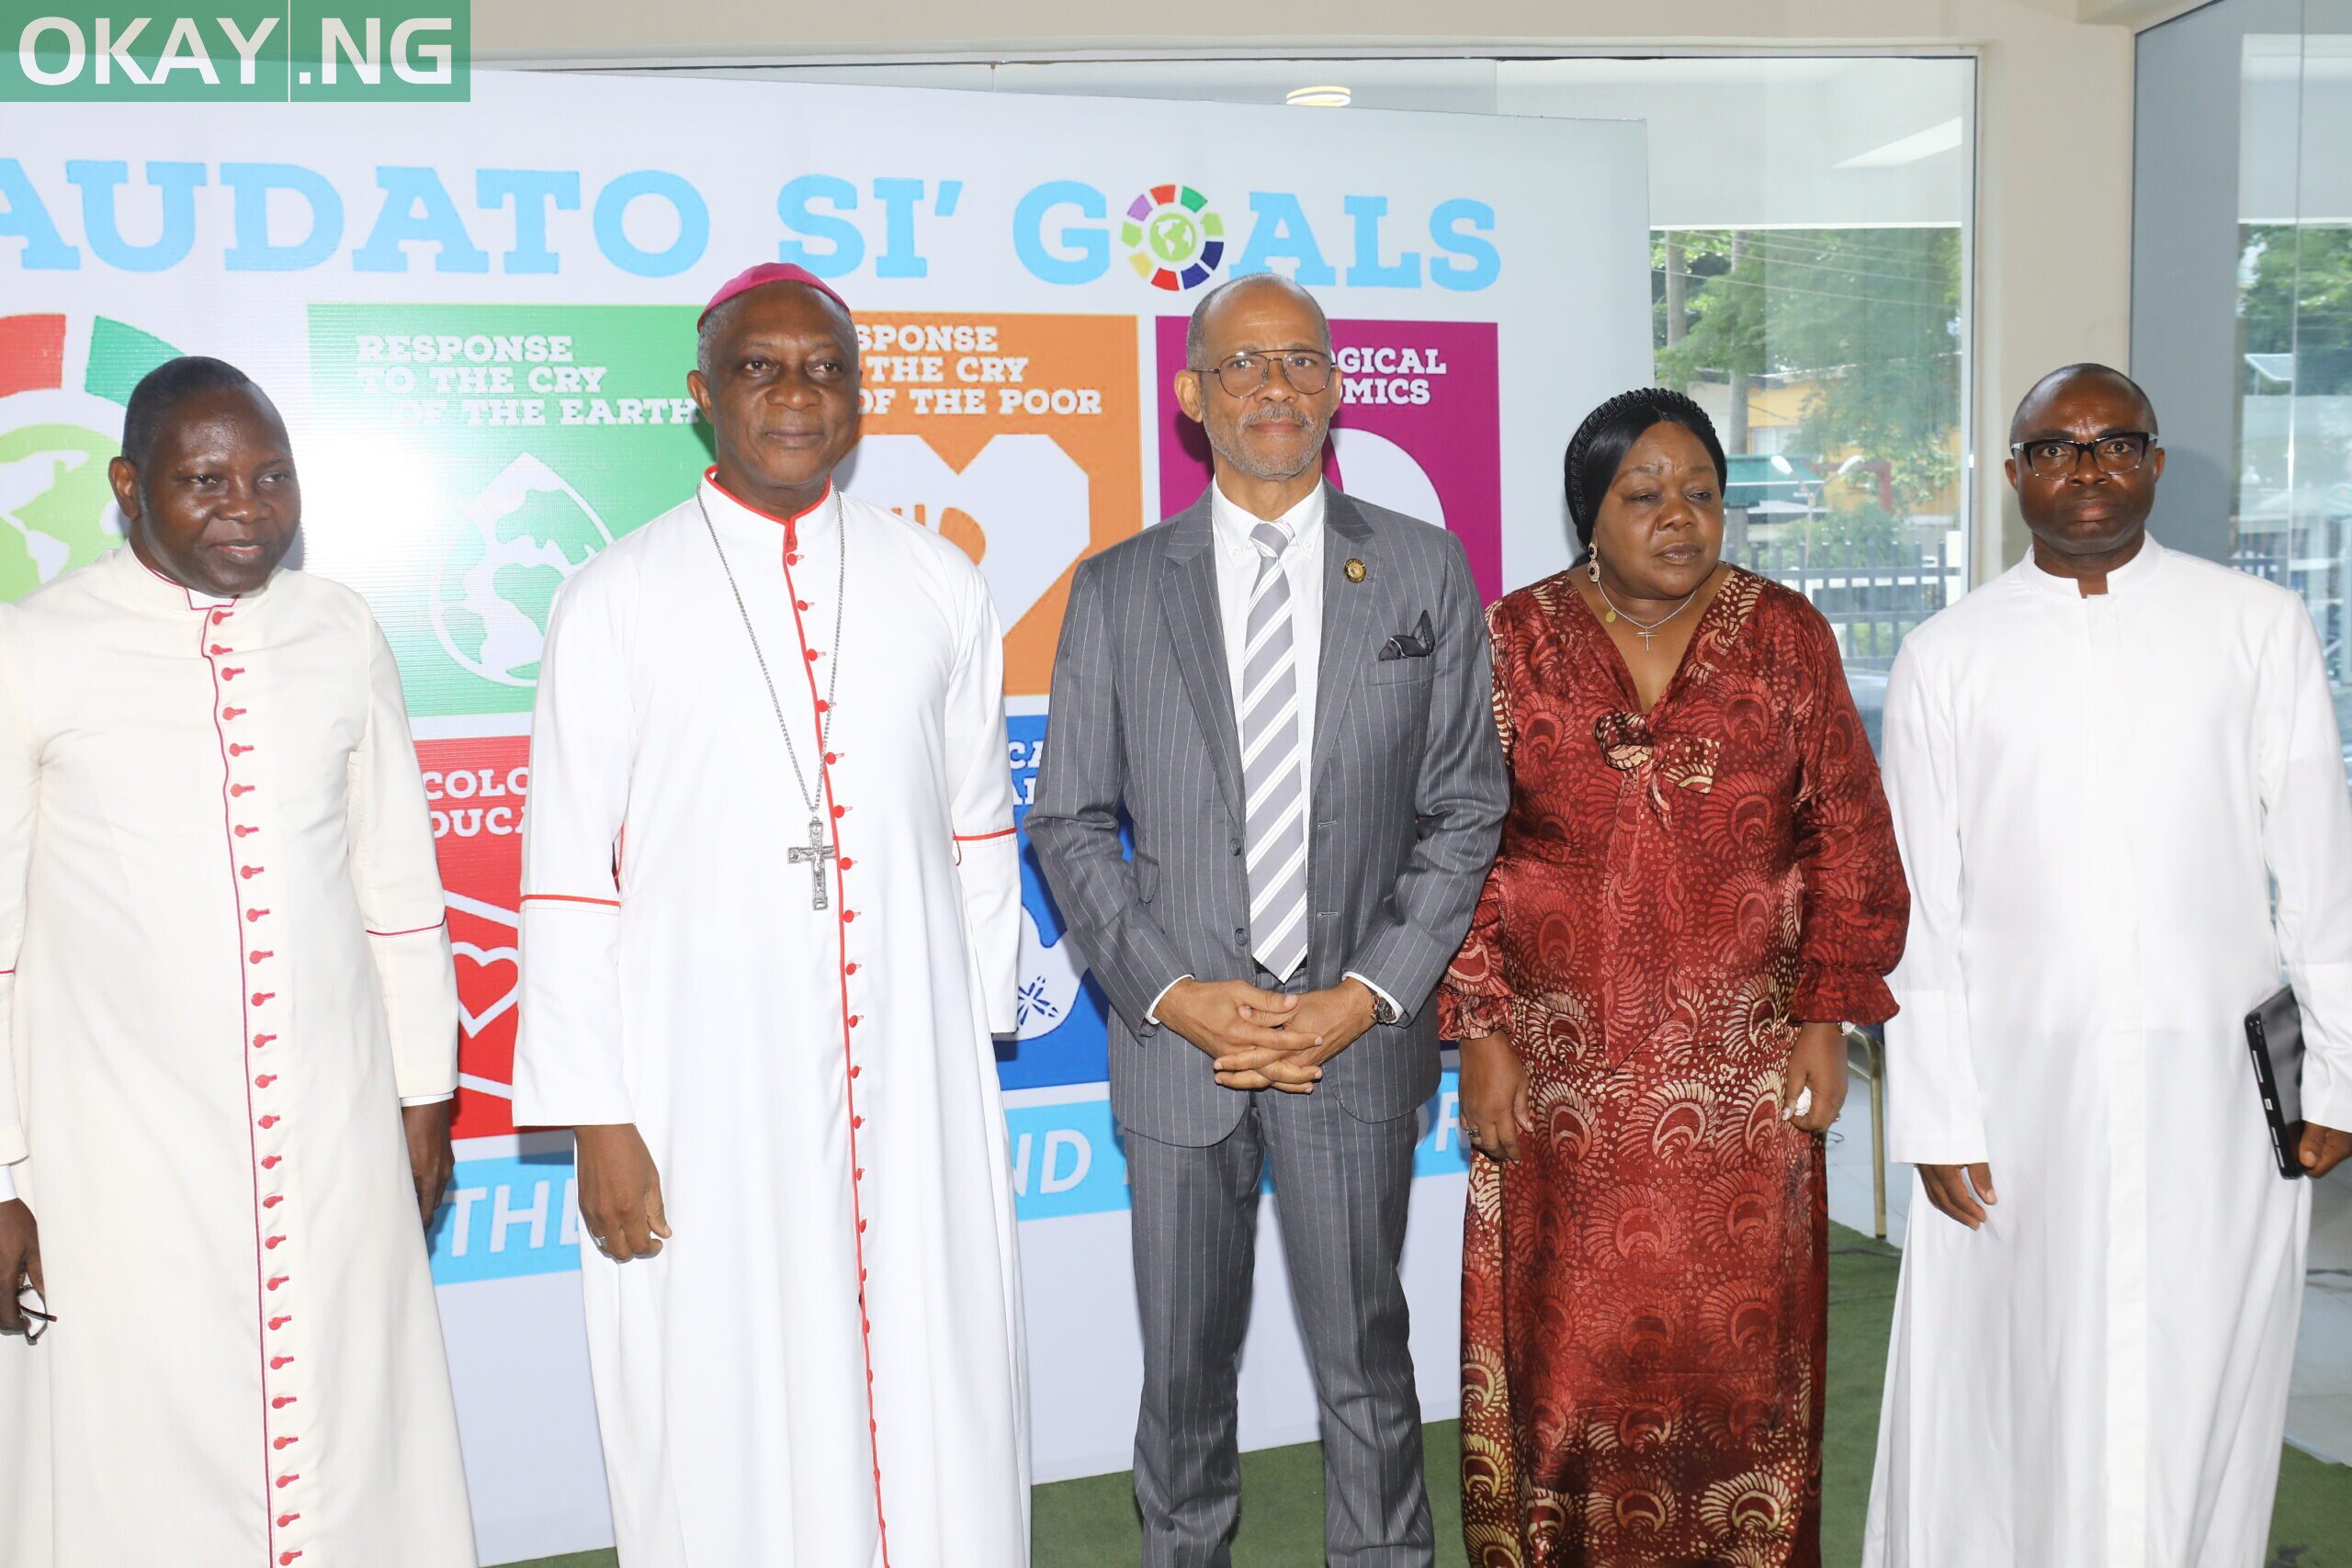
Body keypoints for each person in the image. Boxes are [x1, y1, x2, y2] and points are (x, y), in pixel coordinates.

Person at [513, 262, 1028, 1567]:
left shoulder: (938, 581)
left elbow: (980, 830)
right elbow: (568, 869)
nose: (796, 393)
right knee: (721, 1382)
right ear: (702, 395)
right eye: (761, 367)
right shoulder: (614, 596)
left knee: (933, 1365)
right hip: (700, 1078)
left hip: (912, 1077)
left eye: (825, 368)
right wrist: (596, 1114)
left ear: (860, 395)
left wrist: (962, 1049)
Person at [1029, 272, 1507, 1568]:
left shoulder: (1421, 565)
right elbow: (1068, 821)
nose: (1276, 386)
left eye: (1301, 360)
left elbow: (1466, 810)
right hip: (1180, 1049)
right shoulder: (1120, 588)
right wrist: (1178, 993)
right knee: (1183, 1374)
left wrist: (1362, 994)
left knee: (1367, 1362)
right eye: (1243, 365)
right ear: (1192, 398)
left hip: (1355, 1040)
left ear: (1338, 384)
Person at [1865, 364, 2352, 1566]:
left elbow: (2321, 868)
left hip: (2219, 1091)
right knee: (2023, 1368)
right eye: (2057, 447)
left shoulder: (2256, 626)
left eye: (2115, 442)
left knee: (2204, 1356)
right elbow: (1919, 906)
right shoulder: (1948, 652)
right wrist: (1936, 1108)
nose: (2087, 469)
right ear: (2017, 474)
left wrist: (2338, 1075)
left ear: (2156, 463)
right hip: (2021, 1090)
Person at [0, 357, 474, 1567]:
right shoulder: (35, 646)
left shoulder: (339, 626)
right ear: (127, 485)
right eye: (204, 480)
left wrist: (424, 1094)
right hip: (117, 1146)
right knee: (141, 1450)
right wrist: (1, 1170)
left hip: (332, 1115)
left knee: (348, 1410)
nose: (247, 508)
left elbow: (399, 884)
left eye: (271, 477)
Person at [1439, 387, 1908, 1567]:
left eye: (1700, 493)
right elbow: (1456, 841)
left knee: (1738, 1358)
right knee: (1568, 1350)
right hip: (1560, 1076)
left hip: (1739, 1077)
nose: (1678, 517)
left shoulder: (1787, 632)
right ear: (1587, 512)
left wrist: (1822, 1015)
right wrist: (1481, 1031)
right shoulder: (1513, 636)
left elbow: (1843, 833)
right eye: (1643, 495)